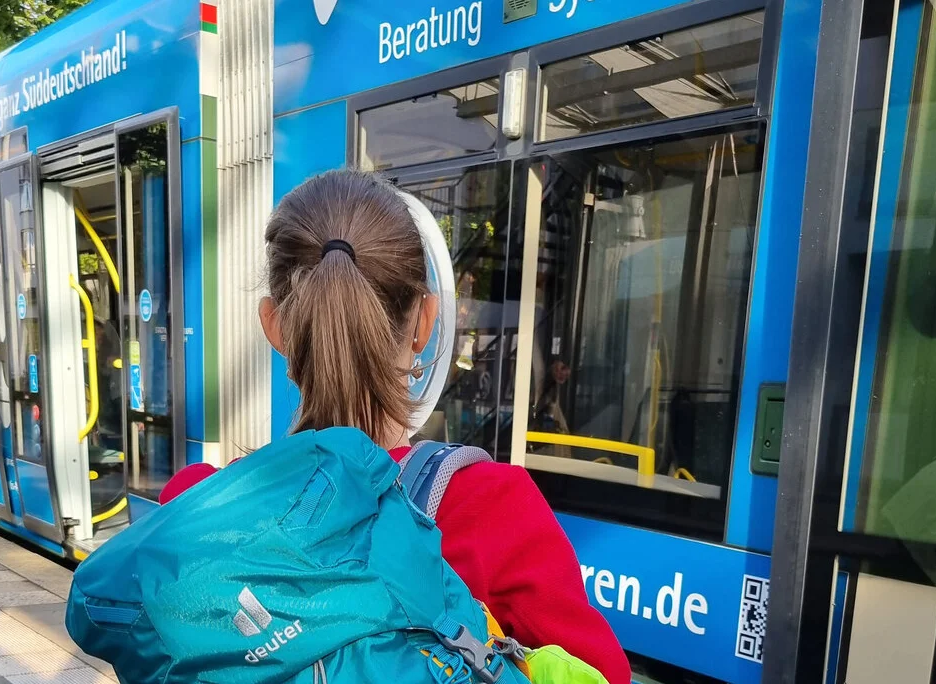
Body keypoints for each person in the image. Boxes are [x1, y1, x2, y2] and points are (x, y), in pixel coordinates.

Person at [159, 169, 632, 684]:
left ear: (274, 326)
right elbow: (604, 675)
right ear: (426, 320)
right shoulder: (495, 507)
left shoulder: (196, 505)